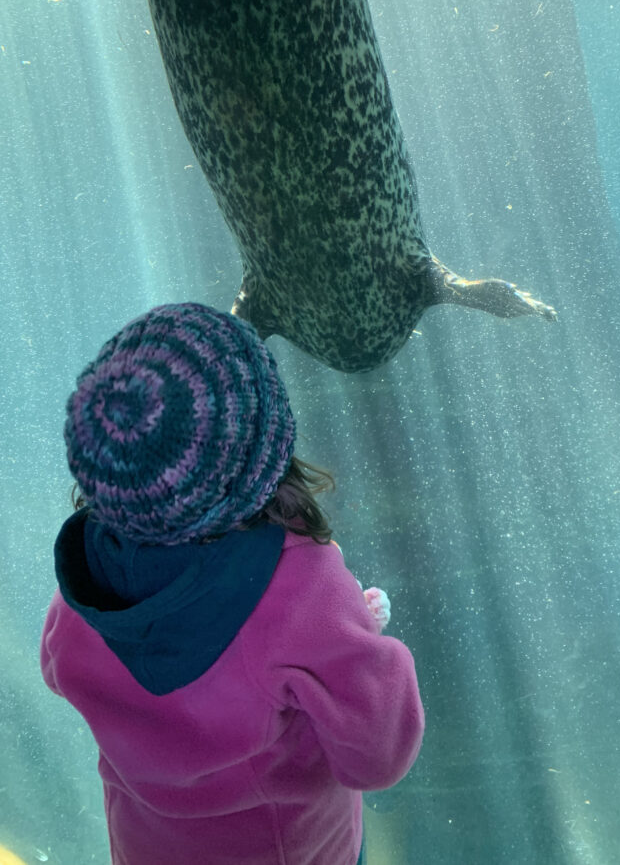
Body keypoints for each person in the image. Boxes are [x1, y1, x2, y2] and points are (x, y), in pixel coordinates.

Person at [40, 303, 424, 865]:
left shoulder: (84, 578)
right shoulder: (302, 588)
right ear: (264, 442)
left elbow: (61, 670)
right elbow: (379, 755)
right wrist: (355, 630)